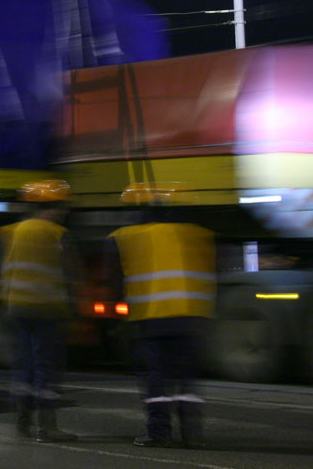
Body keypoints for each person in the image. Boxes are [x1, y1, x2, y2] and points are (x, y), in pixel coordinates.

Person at [106, 183, 216, 449]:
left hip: (149, 320)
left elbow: (114, 283)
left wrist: (117, 314)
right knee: (187, 378)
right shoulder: (199, 234)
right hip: (191, 318)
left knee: (155, 377)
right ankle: (192, 434)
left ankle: (159, 433)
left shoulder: (122, 237)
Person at [0, 179, 79, 442]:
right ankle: (48, 426)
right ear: (51, 206)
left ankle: (23, 421)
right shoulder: (57, 234)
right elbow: (71, 273)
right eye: (61, 206)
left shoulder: (9, 232)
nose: (64, 211)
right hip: (47, 310)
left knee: (23, 365)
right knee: (46, 366)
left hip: (16, 308)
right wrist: (75, 307)